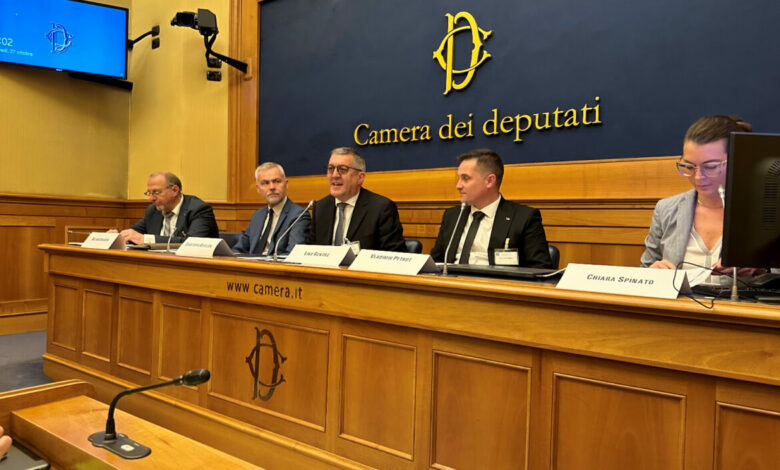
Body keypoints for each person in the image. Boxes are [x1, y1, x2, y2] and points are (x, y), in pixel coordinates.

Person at [641, 115, 758, 280]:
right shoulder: (667, 209)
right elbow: (645, 271)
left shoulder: (765, 209)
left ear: (737, 159)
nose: (698, 177)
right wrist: (653, 274)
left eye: (710, 167)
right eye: (689, 166)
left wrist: (760, 270)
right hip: (680, 298)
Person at [431, 149, 552, 267]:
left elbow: (540, 269)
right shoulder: (452, 216)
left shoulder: (523, 218)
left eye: (465, 178)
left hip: (496, 280)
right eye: (459, 178)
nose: (458, 185)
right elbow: (436, 262)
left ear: (489, 181)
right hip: (452, 279)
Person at [308, 147, 406, 251]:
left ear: (360, 177)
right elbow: (309, 251)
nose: (335, 175)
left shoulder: (381, 209)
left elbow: (394, 254)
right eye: (331, 168)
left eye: (343, 169)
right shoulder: (320, 208)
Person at [117, 171, 219, 244]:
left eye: (156, 192)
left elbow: (192, 243)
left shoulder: (198, 209)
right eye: (149, 193)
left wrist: (147, 239)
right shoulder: (153, 211)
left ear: (175, 190)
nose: (151, 198)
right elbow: (134, 234)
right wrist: (117, 236)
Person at [232, 162, 310, 256]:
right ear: (258, 189)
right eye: (265, 183)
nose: (272, 187)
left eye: (277, 181)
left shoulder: (299, 215)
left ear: (286, 184)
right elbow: (238, 249)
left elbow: (293, 255)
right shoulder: (257, 215)